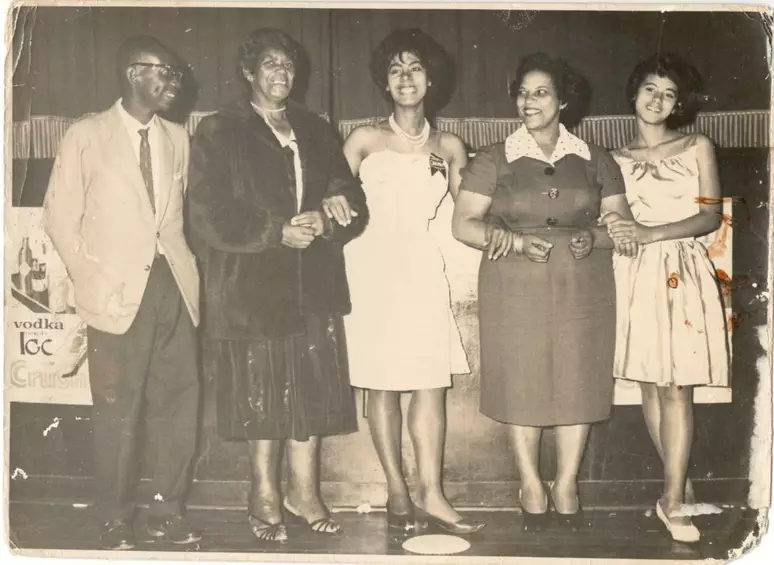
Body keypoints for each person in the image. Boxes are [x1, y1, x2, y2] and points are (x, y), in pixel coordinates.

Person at [187, 28, 368, 543]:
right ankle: (263, 493)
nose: (280, 74)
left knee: (310, 389)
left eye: (287, 66)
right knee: (262, 394)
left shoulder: (315, 128)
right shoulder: (221, 129)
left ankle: (304, 492)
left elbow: (349, 198)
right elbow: (205, 212)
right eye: (270, 64)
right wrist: (274, 232)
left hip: (313, 284)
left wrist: (332, 213)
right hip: (252, 288)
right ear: (249, 72)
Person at [452, 52, 635, 532]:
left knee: (579, 377)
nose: (528, 101)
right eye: (522, 92)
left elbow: (619, 222)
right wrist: (511, 240)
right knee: (523, 377)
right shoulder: (495, 157)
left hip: (583, 281)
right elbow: (463, 224)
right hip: (514, 281)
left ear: (564, 99)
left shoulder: (596, 157)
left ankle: (567, 482)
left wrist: (593, 237)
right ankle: (531, 481)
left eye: (540, 92)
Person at [43, 35, 202, 550]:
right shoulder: (86, 135)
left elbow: (173, 219)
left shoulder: (178, 137)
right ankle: (113, 516)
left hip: (171, 285)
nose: (174, 83)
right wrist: (91, 281)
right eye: (166, 73)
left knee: (178, 402)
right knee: (117, 406)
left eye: (177, 75)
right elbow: (60, 219)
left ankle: (169, 512)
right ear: (134, 73)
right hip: (114, 293)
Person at [341, 29, 483, 535]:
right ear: (385, 79)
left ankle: (432, 492)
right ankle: (397, 489)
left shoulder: (449, 145)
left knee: (429, 384)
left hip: (422, 265)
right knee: (381, 383)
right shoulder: (362, 139)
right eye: (396, 69)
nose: (406, 78)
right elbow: (333, 199)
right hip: (369, 264)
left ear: (431, 79)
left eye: (415, 68)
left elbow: (468, 208)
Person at [605, 53, 729, 543]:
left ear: (679, 103)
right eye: (650, 89)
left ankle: (674, 500)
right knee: (653, 385)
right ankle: (676, 488)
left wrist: (649, 233)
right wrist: (616, 229)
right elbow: (612, 221)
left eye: (669, 93)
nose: (657, 100)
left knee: (677, 385)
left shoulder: (697, 144)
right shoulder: (613, 160)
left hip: (683, 268)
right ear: (635, 93)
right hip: (634, 274)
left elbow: (710, 217)